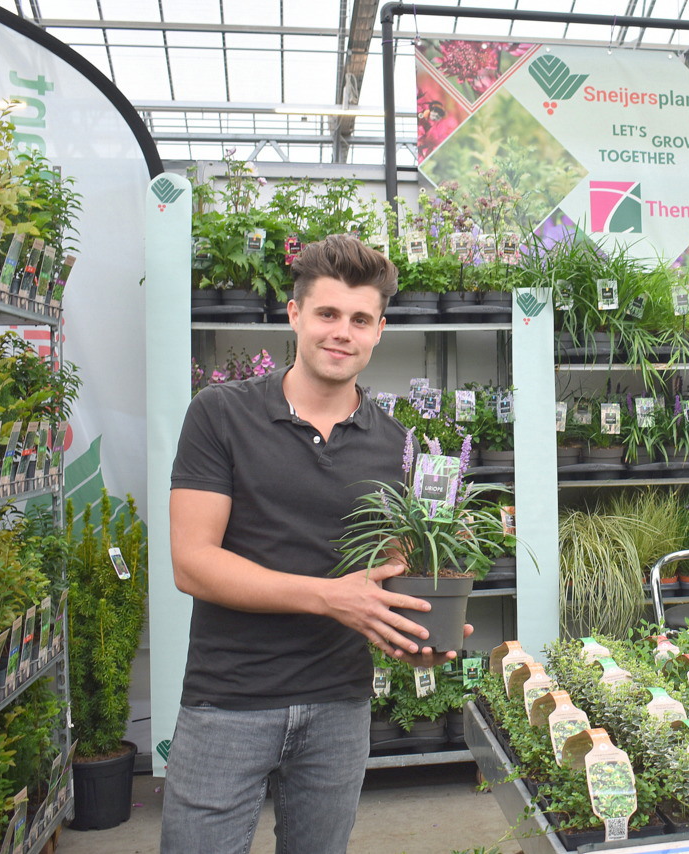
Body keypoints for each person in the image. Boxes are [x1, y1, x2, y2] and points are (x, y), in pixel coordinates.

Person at [160, 234, 468, 854]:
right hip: (229, 701)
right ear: (295, 314)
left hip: (339, 704)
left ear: (379, 331)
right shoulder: (220, 414)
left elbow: (389, 570)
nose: (341, 333)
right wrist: (331, 597)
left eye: (359, 320)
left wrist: (412, 636)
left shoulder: (396, 445)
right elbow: (192, 563)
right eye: (327, 314)